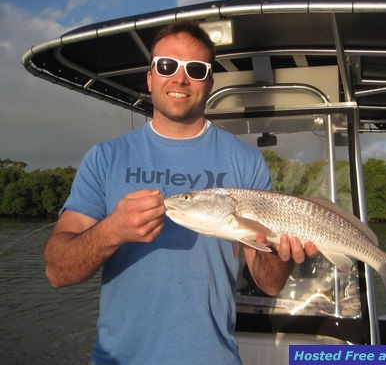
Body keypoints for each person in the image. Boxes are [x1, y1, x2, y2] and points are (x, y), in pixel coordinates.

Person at [44, 21, 317, 365]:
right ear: (150, 77)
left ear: (210, 83)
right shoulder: (105, 157)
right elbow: (57, 271)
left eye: (196, 69)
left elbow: (269, 284)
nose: (180, 78)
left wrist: (281, 251)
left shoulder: (246, 160)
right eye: (167, 66)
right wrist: (111, 231)